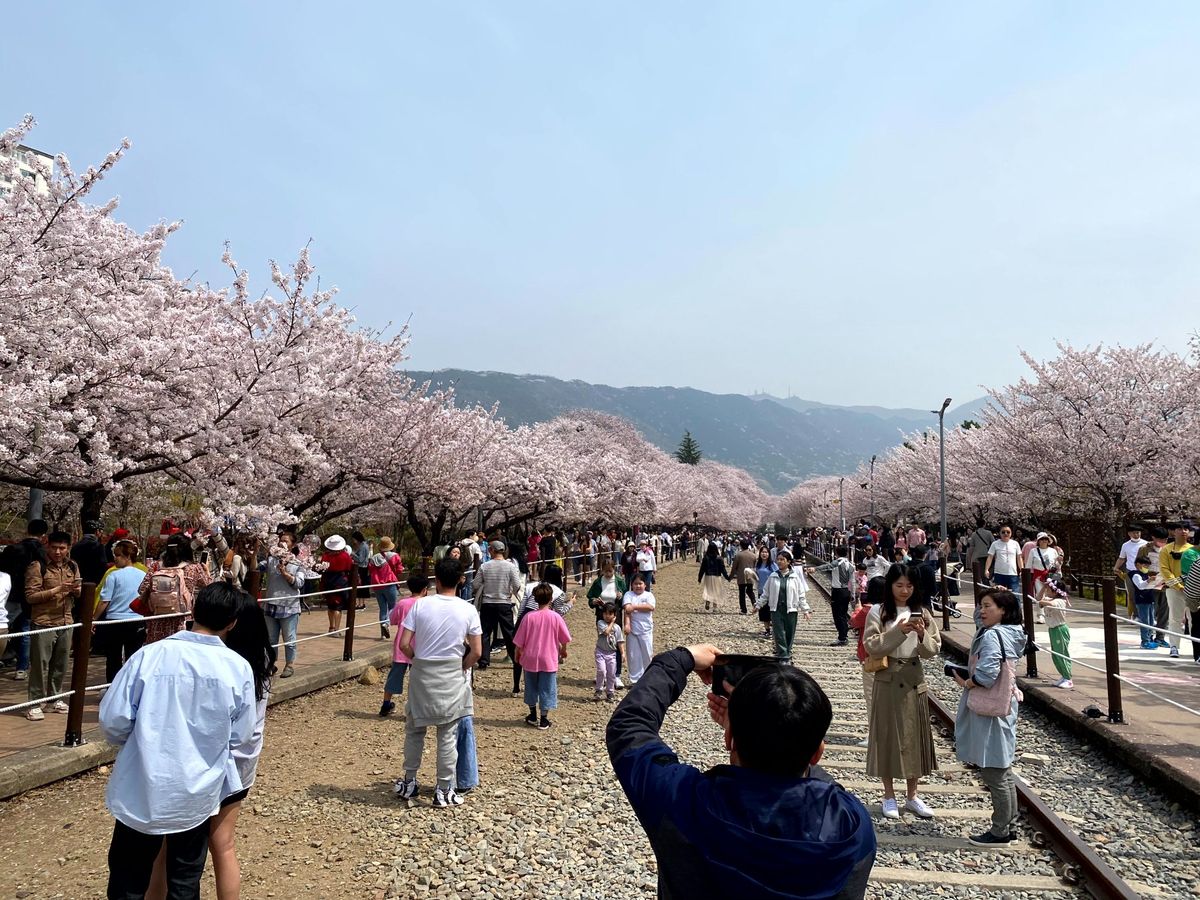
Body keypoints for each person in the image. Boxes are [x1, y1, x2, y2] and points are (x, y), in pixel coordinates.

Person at [606, 643, 876, 899]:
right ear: (818, 753)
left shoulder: (682, 801)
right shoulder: (852, 826)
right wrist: (765, 730)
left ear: (728, 739)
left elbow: (630, 727)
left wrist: (679, 660)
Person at [100, 582, 257, 899]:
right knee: (185, 879)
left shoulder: (149, 655)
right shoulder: (237, 667)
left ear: (193, 610)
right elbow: (241, 735)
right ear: (232, 623)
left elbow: (113, 720)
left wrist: (138, 738)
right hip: (197, 792)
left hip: (140, 787)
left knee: (128, 879)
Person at [394, 557, 483, 808]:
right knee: (447, 733)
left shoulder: (420, 606)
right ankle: (444, 789)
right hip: (451, 674)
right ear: (460, 581)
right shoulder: (468, 609)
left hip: (422, 673)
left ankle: (409, 782)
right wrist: (462, 666)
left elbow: (404, 644)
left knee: (414, 730)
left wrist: (417, 660)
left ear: (437, 580)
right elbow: (477, 651)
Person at [863, 564, 941, 820]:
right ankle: (888, 795)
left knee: (914, 737)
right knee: (886, 737)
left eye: (909, 585)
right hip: (887, 678)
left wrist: (921, 635)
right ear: (890, 586)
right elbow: (871, 646)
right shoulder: (878, 611)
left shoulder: (923, 613)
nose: (905, 590)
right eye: (899, 585)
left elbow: (933, 650)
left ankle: (912, 795)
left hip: (913, 678)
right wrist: (899, 631)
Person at [951, 589, 1026, 847]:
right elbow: (979, 619)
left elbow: (987, 674)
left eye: (987, 606)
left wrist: (968, 682)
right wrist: (996, 594)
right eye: (981, 605)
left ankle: (1000, 831)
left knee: (994, 771)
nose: (981, 611)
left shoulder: (993, 635)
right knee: (1003, 769)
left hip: (991, 707)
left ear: (1003, 610)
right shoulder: (1013, 632)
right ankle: (1009, 827)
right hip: (1005, 703)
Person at [23, 531, 80, 721]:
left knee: (61, 664)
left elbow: (78, 592)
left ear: (68, 548)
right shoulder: (37, 566)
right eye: (54, 547)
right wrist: (57, 590)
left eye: (62, 548)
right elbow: (31, 596)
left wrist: (76, 590)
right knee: (40, 664)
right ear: (47, 546)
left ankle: (54, 699)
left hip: (66, 621)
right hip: (43, 621)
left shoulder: (72, 565)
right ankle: (34, 703)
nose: (58, 552)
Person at [513, 582, 571, 729]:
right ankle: (544, 719)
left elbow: (519, 641)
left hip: (530, 657)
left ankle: (532, 715)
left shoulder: (528, 617)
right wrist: (563, 650)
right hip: (548, 658)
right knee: (547, 688)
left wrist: (517, 654)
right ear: (551, 599)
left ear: (535, 598)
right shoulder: (555, 617)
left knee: (531, 686)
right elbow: (564, 638)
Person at [1, 518, 49, 682]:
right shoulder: (43, 552)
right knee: (25, 632)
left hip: (11, 596)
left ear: (27, 530)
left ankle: (5, 656)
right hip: (31, 598)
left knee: (4, 627)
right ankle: (21, 668)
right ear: (44, 535)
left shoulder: (12, 549)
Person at [94, 540, 147, 682]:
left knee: (113, 657)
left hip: (114, 621)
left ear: (128, 556)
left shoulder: (113, 576)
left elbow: (104, 601)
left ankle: (112, 686)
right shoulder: (143, 575)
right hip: (137, 620)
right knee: (133, 656)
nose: (115, 558)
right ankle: (131, 685)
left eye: (118, 555)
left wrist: (94, 619)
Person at [381, 573, 429, 717]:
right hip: (419, 647)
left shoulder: (402, 603)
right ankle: (414, 708)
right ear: (425, 589)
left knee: (394, 676)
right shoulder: (426, 604)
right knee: (417, 679)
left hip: (401, 646)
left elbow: (393, 619)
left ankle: (386, 704)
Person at [472, 540, 522, 671]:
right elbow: (517, 585)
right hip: (504, 603)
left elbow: (475, 584)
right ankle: (515, 659)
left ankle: (483, 661)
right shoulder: (510, 566)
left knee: (485, 633)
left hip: (488, 603)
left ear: (491, 550)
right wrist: (510, 591)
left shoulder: (484, 566)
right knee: (509, 633)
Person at [755, 550, 813, 660]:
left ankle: (788, 651)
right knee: (779, 633)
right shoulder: (773, 576)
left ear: (788, 562)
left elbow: (801, 595)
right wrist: (758, 605)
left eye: (782, 560)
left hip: (791, 609)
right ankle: (783, 655)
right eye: (778, 559)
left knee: (790, 632)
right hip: (776, 609)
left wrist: (805, 610)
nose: (779, 562)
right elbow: (766, 593)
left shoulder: (794, 577)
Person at [264, 532, 304, 678]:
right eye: (280, 540)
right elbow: (256, 567)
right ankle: (271, 664)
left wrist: (285, 573)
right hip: (271, 604)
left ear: (292, 545)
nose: (282, 543)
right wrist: (256, 551)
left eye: (286, 541)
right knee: (271, 639)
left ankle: (289, 665)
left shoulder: (298, 562)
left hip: (289, 605)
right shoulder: (271, 559)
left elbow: (299, 583)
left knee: (289, 638)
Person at [1159, 523, 1193, 660]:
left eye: (1186, 529)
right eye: (1180, 529)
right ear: (1174, 532)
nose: (1183, 531)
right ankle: (1174, 646)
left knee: (1194, 619)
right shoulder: (1166, 549)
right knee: (1175, 618)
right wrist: (1178, 586)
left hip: (1193, 590)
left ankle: (1196, 648)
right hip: (1174, 589)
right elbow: (1164, 570)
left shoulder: (1193, 549)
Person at [1037, 579, 1073, 688]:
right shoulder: (1049, 598)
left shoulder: (1060, 601)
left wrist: (1042, 602)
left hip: (1060, 629)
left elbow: (1050, 603)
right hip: (1052, 629)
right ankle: (1063, 675)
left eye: (1049, 590)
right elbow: (1038, 598)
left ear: (1055, 592)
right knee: (1055, 655)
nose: (1047, 591)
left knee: (1062, 653)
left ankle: (1068, 678)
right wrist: (1044, 587)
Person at [814, 549, 854, 646]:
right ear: (847, 553)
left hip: (838, 591)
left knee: (837, 615)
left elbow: (828, 566)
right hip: (846, 591)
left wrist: (815, 569)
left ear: (836, 553)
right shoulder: (851, 565)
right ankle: (844, 635)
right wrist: (852, 594)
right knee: (843, 614)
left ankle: (842, 638)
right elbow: (852, 581)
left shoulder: (838, 562)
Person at [368, 536, 405, 640]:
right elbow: (399, 570)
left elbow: (370, 570)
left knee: (383, 608)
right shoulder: (395, 556)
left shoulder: (374, 558)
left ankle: (383, 634)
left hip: (377, 585)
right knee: (393, 607)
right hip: (390, 583)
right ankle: (387, 624)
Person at [622, 575, 657, 685]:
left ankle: (648, 679)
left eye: (640, 583)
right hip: (632, 630)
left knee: (647, 654)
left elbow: (651, 607)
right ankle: (635, 680)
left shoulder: (649, 595)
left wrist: (635, 607)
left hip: (646, 629)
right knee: (633, 655)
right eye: (635, 584)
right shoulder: (628, 594)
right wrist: (627, 624)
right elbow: (627, 609)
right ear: (631, 585)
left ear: (645, 585)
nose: (638, 586)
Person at [320, 535, 355, 638]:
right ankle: (336, 629)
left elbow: (322, 568)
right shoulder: (345, 556)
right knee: (338, 607)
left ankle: (331, 627)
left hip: (327, 582)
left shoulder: (325, 555)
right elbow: (350, 568)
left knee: (330, 606)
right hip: (340, 583)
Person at [1113, 524, 1148, 616]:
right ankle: (1136, 615)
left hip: (1143, 571)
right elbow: (1122, 558)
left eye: (1138, 532)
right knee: (1132, 594)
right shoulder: (1125, 545)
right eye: (1134, 533)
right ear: (1129, 534)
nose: (1136, 535)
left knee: (1144, 593)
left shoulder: (1146, 544)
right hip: (1130, 572)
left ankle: (1145, 614)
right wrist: (1116, 567)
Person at [594, 602, 625, 702]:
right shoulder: (600, 623)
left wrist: (623, 653)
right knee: (601, 670)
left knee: (611, 673)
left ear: (614, 615)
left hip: (612, 653)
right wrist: (612, 622)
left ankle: (610, 692)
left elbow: (620, 641)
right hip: (600, 652)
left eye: (610, 614)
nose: (607, 616)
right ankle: (599, 689)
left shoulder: (617, 628)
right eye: (605, 613)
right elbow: (606, 632)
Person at [1131, 554, 1161, 649]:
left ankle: (1149, 638)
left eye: (1148, 566)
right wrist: (1149, 580)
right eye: (1145, 565)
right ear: (1138, 565)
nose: (1147, 567)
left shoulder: (1145, 575)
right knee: (1145, 621)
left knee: (1151, 621)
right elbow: (1140, 586)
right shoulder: (1136, 575)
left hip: (1149, 600)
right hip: (1142, 600)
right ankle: (1145, 641)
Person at [984, 526, 1022, 591]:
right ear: (1000, 533)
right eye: (1003, 532)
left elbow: (1019, 558)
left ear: (1011, 533)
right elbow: (990, 557)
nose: (1006, 534)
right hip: (999, 574)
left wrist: (1021, 570)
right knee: (999, 594)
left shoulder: (1015, 544)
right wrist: (986, 569)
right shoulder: (995, 544)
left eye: (1008, 532)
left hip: (1013, 574)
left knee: (1015, 594)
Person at [697, 543, 731, 613]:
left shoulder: (706, 558)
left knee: (708, 590)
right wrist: (727, 577)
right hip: (717, 576)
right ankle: (715, 607)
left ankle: (707, 602)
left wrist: (699, 578)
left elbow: (702, 569)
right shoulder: (719, 558)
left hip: (708, 576)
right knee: (716, 591)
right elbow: (723, 569)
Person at [753, 545, 777, 638]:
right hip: (761, 590)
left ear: (769, 554)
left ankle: (775, 630)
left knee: (771, 611)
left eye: (766, 552)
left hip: (772, 591)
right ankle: (767, 630)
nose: (764, 554)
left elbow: (778, 575)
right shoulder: (758, 564)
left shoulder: (772, 565)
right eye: (762, 552)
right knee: (763, 611)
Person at [731, 540, 758, 615]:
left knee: (742, 593)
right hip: (750, 575)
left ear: (741, 546)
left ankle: (743, 609)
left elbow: (734, 567)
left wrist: (731, 576)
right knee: (750, 590)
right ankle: (754, 602)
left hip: (741, 576)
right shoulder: (753, 555)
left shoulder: (738, 555)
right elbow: (755, 566)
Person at [351, 530, 371, 601]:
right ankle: (361, 603)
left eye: (354, 539)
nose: (353, 541)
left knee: (360, 585)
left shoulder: (363, 546)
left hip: (362, 568)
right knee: (361, 585)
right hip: (363, 567)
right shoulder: (363, 545)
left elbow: (360, 559)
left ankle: (361, 603)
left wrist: (352, 554)